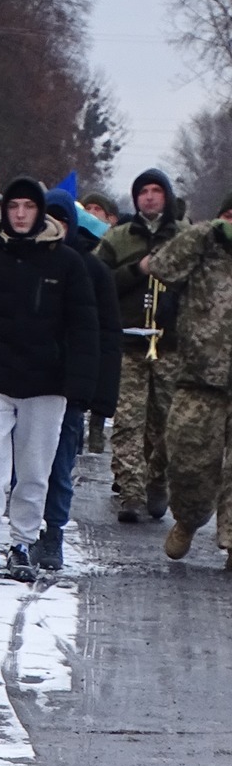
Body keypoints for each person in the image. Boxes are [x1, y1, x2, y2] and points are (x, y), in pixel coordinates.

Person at [0, 177, 99, 581]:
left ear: (39, 212)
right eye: (13, 206)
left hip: (47, 384)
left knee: (34, 468)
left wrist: (82, 385)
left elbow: (84, 328)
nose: (19, 214)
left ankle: (23, 543)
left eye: (28, 207)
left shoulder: (66, 264)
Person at [35, 192, 122, 569]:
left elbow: (106, 337)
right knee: (27, 465)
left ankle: (53, 534)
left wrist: (101, 397)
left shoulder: (92, 270)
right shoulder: (26, 262)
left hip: (70, 388)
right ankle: (25, 533)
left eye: (63, 221)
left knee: (60, 464)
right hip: (29, 381)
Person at [96, 168, 186, 522]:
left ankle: (157, 481)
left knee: (164, 423)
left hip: (170, 346)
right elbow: (98, 280)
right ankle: (130, 491)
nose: (149, 197)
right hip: (129, 343)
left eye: (156, 191)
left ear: (166, 196)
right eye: (143, 192)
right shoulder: (119, 239)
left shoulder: (184, 237)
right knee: (128, 421)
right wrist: (138, 270)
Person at [147, 214, 232, 563]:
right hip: (200, 379)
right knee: (190, 465)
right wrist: (201, 235)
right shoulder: (204, 246)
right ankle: (188, 518)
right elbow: (161, 266)